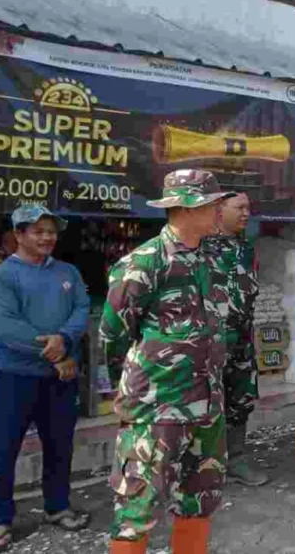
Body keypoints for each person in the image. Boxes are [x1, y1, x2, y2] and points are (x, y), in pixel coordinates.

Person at [101, 169, 237, 554]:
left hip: (206, 407)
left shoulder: (211, 261)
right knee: (137, 506)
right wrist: (138, 387)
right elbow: (112, 337)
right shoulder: (143, 264)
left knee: (199, 498)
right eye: (212, 204)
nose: (218, 210)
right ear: (187, 206)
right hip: (157, 408)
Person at [0, 205, 91, 553]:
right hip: (13, 376)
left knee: (59, 446)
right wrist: (57, 353)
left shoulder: (67, 271)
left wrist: (65, 340)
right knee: (2, 448)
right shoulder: (1, 277)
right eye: (39, 231)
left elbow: (81, 309)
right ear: (20, 234)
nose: (47, 237)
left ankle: (57, 507)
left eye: (51, 231)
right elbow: (6, 327)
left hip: (59, 378)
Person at [208, 192, 267, 486]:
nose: (246, 213)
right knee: (207, 404)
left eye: (248, 207)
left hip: (242, 340)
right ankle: (206, 468)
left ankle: (237, 460)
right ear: (220, 209)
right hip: (211, 343)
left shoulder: (245, 247)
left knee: (240, 400)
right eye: (239, 207)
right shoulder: (202, 246)